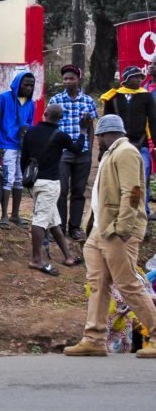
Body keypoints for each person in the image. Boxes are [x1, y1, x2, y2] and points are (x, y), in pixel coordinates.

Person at [64, 115, 156, 358]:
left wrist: (122, 229)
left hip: (117, 230)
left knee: (128, 284)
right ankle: (94, 338)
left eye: (98, 137)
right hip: (101, 229)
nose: (98, 142)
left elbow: (133, 192)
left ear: (105, 135)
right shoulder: (110, 153)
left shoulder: (126, 152)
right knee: (98, 284)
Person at [21, 104, 86, 275]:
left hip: (35, 182)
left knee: (53, 221)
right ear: (61, 118)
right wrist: (83, 132)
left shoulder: (31, 132)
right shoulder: (60, 136)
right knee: (40, 220)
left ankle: (68, 256)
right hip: (50, 184)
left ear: (45, 114)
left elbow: (24, 159)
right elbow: (77, 150)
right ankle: (36, 259)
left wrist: (27, 180)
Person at [49, 65, 98, 240]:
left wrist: (90, 150)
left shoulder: (87, 101)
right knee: (61, 190)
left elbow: (91, 128)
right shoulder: (55, 101)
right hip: (62, 153)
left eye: (71, 78)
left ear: (78, 80)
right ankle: (60, 226)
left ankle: (75, 227)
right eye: (65, 79)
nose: (68, 81)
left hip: (83, 153)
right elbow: (51, 127)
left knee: (79, 191)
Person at [101, 65, 156, 213]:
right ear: (125, 79)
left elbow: (153, 121)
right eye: (135, 77)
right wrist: (104, 149)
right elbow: (106, 125)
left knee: (141, 181)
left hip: (141, 145)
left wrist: (155, 145)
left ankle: (141, 215)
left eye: (140, 77)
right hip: (118, 146)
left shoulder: (146, 96)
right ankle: (120, 214)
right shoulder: (112, 97)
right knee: (118, 181)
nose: (139, 80)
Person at [0, 71, 36, 228]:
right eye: (26, 85)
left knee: (19, 179)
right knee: (8, 178)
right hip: (6, 145)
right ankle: (4, 216)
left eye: (31, 85)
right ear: (18, 83)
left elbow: (30, 123)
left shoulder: (31, 103)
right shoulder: (4, 98)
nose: (29, 88)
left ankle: (15, 215)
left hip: (21, 146)